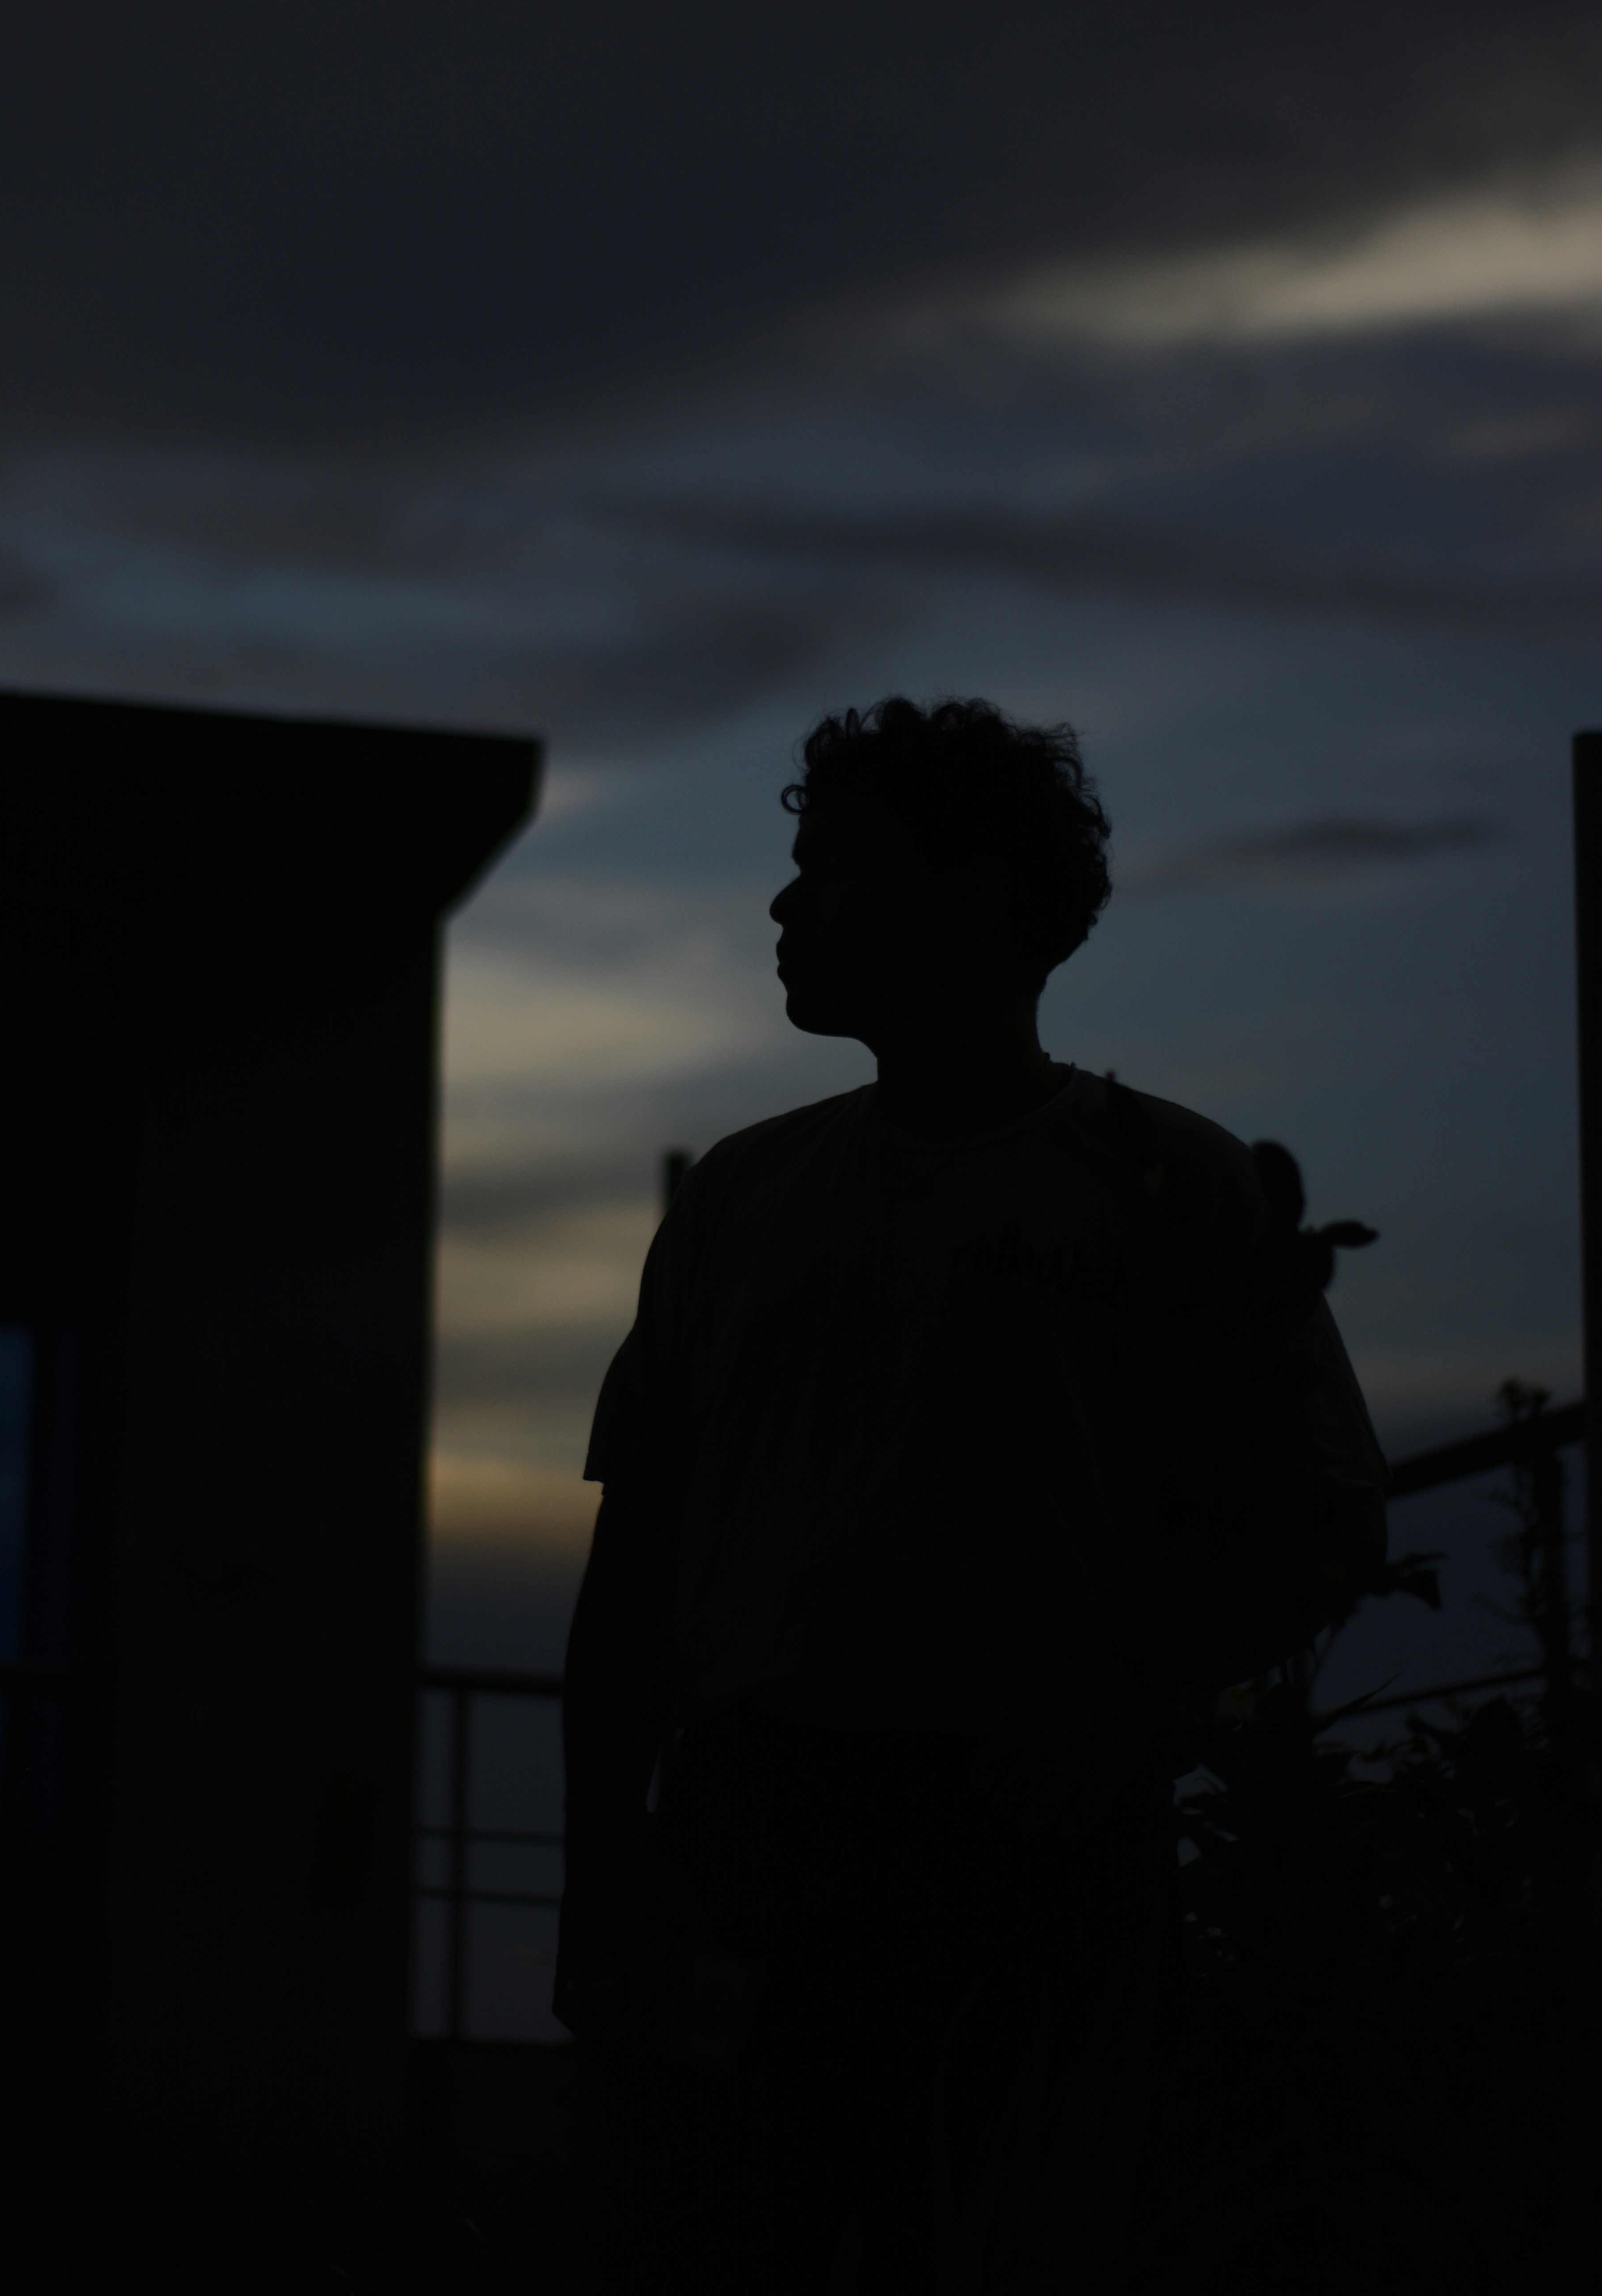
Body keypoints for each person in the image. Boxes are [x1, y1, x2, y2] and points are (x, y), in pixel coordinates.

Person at [555, 697, 1388, 2293]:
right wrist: (610, 1861)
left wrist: (1124, 1693)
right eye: (800, 865)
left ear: (976, 900)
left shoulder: (1171, 1186)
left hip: (1033, 1849)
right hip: (753, 1836)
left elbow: (1325, 1522)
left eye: (840, 865)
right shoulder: (744, 1193)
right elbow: (638, 1558)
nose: (789, 904)